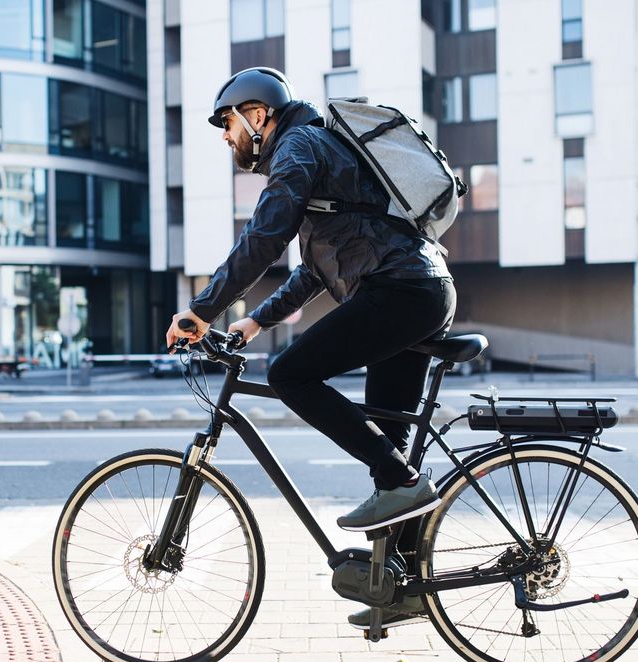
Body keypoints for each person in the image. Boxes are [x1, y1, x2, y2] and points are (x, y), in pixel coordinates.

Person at [164, 67, 457, 627]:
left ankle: (403, 485)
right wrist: (251, 322)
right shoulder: (318, 149)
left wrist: (201, 310)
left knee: (290, 375)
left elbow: (264, 235)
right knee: (389, 447)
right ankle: (405, 588)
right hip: (417, 290)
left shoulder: (298, 146)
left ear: (257, 115)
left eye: (227, 123)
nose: (226, 137)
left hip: (400, 292)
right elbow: (314, 269)